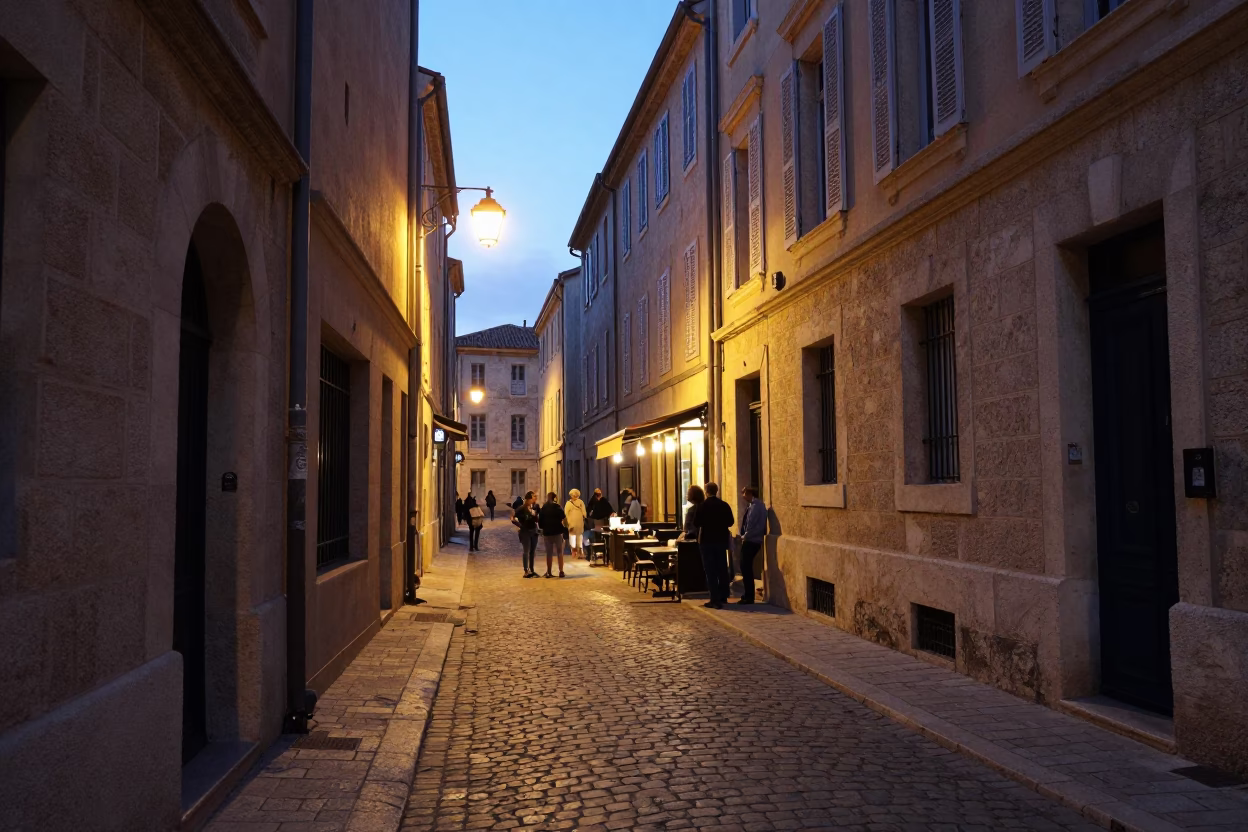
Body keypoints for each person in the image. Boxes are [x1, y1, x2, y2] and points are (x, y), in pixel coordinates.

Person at [693, 482, 734, 609]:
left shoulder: (702, 506)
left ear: (706, 491)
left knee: (710, 570)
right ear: (716, 491)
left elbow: (696, 523)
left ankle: (714, 598)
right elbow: (731, 522)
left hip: (707, 541)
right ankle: (724, 595)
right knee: (722, 568)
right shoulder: (724, 505)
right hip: (721, 540)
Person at [737, 486, 766, 604]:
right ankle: (748, 594)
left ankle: (749, 596)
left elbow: (752, 525)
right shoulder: (754, 506)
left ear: (749, 494)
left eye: (744, 493)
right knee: (745, 567)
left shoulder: (756, 507)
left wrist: (744, 536)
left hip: (752, 540)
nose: (742, 496)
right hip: (751, 540)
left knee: (745, 567)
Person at [538, 492, 568, 577]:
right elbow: (564, 518)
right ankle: (561, 571)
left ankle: (549, 572)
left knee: (549, 553)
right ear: (555, 498)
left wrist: (542, 528)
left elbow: (540, 521)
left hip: (547, 533)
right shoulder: (557, 507)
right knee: (560, 552)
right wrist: (565, 527)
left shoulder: (544, 507)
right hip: (557, 532)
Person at [511, 491, 539, 577]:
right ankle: (526, 571)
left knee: (532, 551)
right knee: (526, 551)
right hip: (525, 532)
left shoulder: (534, 507)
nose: (536, 498)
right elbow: (512, 518)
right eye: (534, 496)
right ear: (529, 498)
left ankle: (532, 570)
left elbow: (536, 520)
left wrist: (535, 516)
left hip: (533, 531)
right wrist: (520, 526)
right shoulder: (521, 508)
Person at [564, 489, 588, 558]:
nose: (574, 496)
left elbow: (566, 513)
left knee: (576, 537)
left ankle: (577, 551)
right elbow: (584, 513)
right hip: (574, 522)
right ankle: (576, 551)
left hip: (576, 522)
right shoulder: (571, 503)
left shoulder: (577, 502)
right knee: (575, 537)